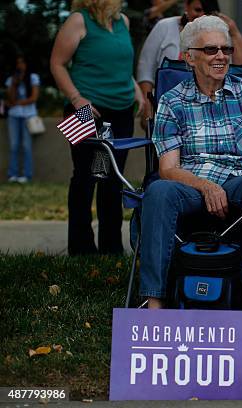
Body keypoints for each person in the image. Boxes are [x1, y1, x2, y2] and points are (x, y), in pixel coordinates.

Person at [140, 15, 242, 315]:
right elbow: (169, 168)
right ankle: (154, 302)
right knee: (158, 191)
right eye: (211, 50)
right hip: (191, 184)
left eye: (226, 49)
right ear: (189, 58)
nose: (221, 56)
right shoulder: (172, 102)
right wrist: (207, 187)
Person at [50, 0, 145, 255]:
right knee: (84, 177)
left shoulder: (123, 22)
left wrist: (139, 95)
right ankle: (81, 249)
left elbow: (123, 69)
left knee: (111, 178)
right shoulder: (78, 21)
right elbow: (56, 63)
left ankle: (111, 247)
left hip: (121, 112)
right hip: (82, 110)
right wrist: (76, 99)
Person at [137, 0, 242, 130]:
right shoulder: (165, 26)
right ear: (186, 6)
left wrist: (234, 32)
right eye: (197, 10)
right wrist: (148, 107)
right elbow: (145, 70)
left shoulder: (220, 33)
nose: (202, 16)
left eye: (207, 12)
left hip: (215, 108)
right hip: (170, 108)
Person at [5, 55, 39, 183]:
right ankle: (12, 174)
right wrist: (15, 83)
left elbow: (34, 98)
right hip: (14, 116)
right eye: (18, 63)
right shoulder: (11, 79)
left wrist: (18, 103)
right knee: (14, 145)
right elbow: (11, 99)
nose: (20, 65)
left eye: (22, 62)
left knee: (26, 146)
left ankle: (26, 175)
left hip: (28, 116)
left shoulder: (33, 77)